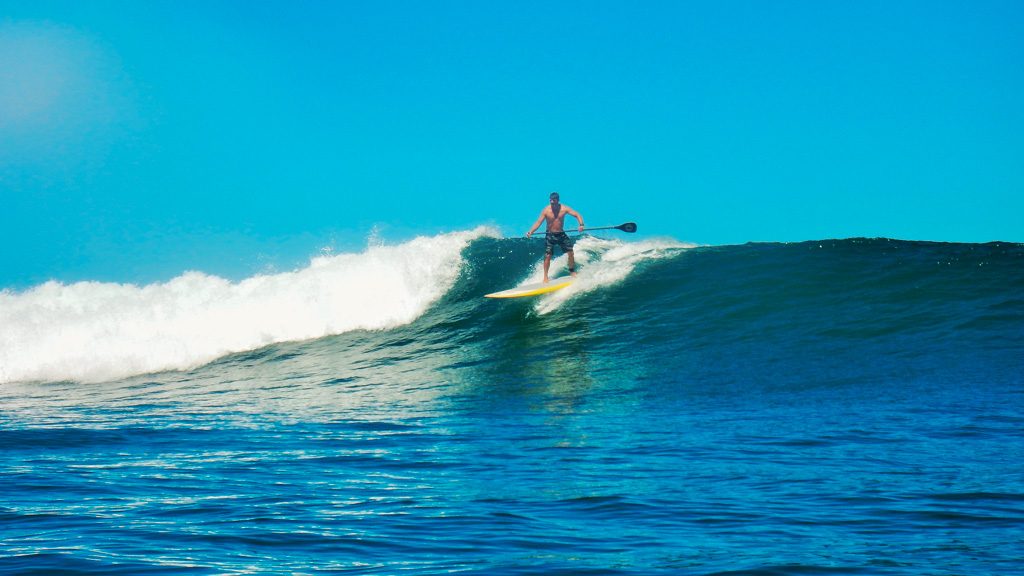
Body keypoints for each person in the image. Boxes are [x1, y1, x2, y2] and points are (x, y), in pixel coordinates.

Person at [525, 192, 585, 282]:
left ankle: (572, 271)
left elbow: (577, 214)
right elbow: (538, 222)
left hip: (561, 234)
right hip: (550, 235)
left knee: (570, 252)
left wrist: (581, 225)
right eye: (550, 201)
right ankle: (545, 277)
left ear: (557, 200)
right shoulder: (546, 210)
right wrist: (531, 231)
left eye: (553, 201)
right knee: (548, 255)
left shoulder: (564, 208)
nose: (552, 203)